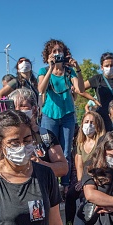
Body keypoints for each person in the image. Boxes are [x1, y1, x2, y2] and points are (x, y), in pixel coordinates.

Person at [38, 39, 85, 189]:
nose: (58, 54)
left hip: (67, 115)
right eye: (54, 51)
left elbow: (81, 89)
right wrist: (51, 68)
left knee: (65, 150)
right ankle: (50, 183)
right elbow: (41, 89)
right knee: (49, 149)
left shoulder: (69, 71)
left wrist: (77, 69)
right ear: (49, 55)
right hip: (49, 115)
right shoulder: (44, 71)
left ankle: (65, 185)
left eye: (60, 51)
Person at [7, 87, 68, 178]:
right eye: (14, 106)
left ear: (34, 109)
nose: (18, 110)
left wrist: (40, 164)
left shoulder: (46, 135)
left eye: (22, 106)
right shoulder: (4, 137)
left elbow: (63, 168)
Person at [65, 111, 107, 225]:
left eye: (92, 122)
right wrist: (81, 182)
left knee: (87, 199)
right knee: (70, 195)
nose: (89, 125)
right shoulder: (80, 143)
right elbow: (79, 165)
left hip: (99, 179)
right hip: (84, 179)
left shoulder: (102, 142)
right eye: (86, 122)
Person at [84, 52, 113, 131]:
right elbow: (79, 89)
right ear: (102, 67)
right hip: (101, 116)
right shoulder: (97, 79)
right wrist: (93, 99)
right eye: (106, 66)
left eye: (111, 65)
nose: (109, 68)